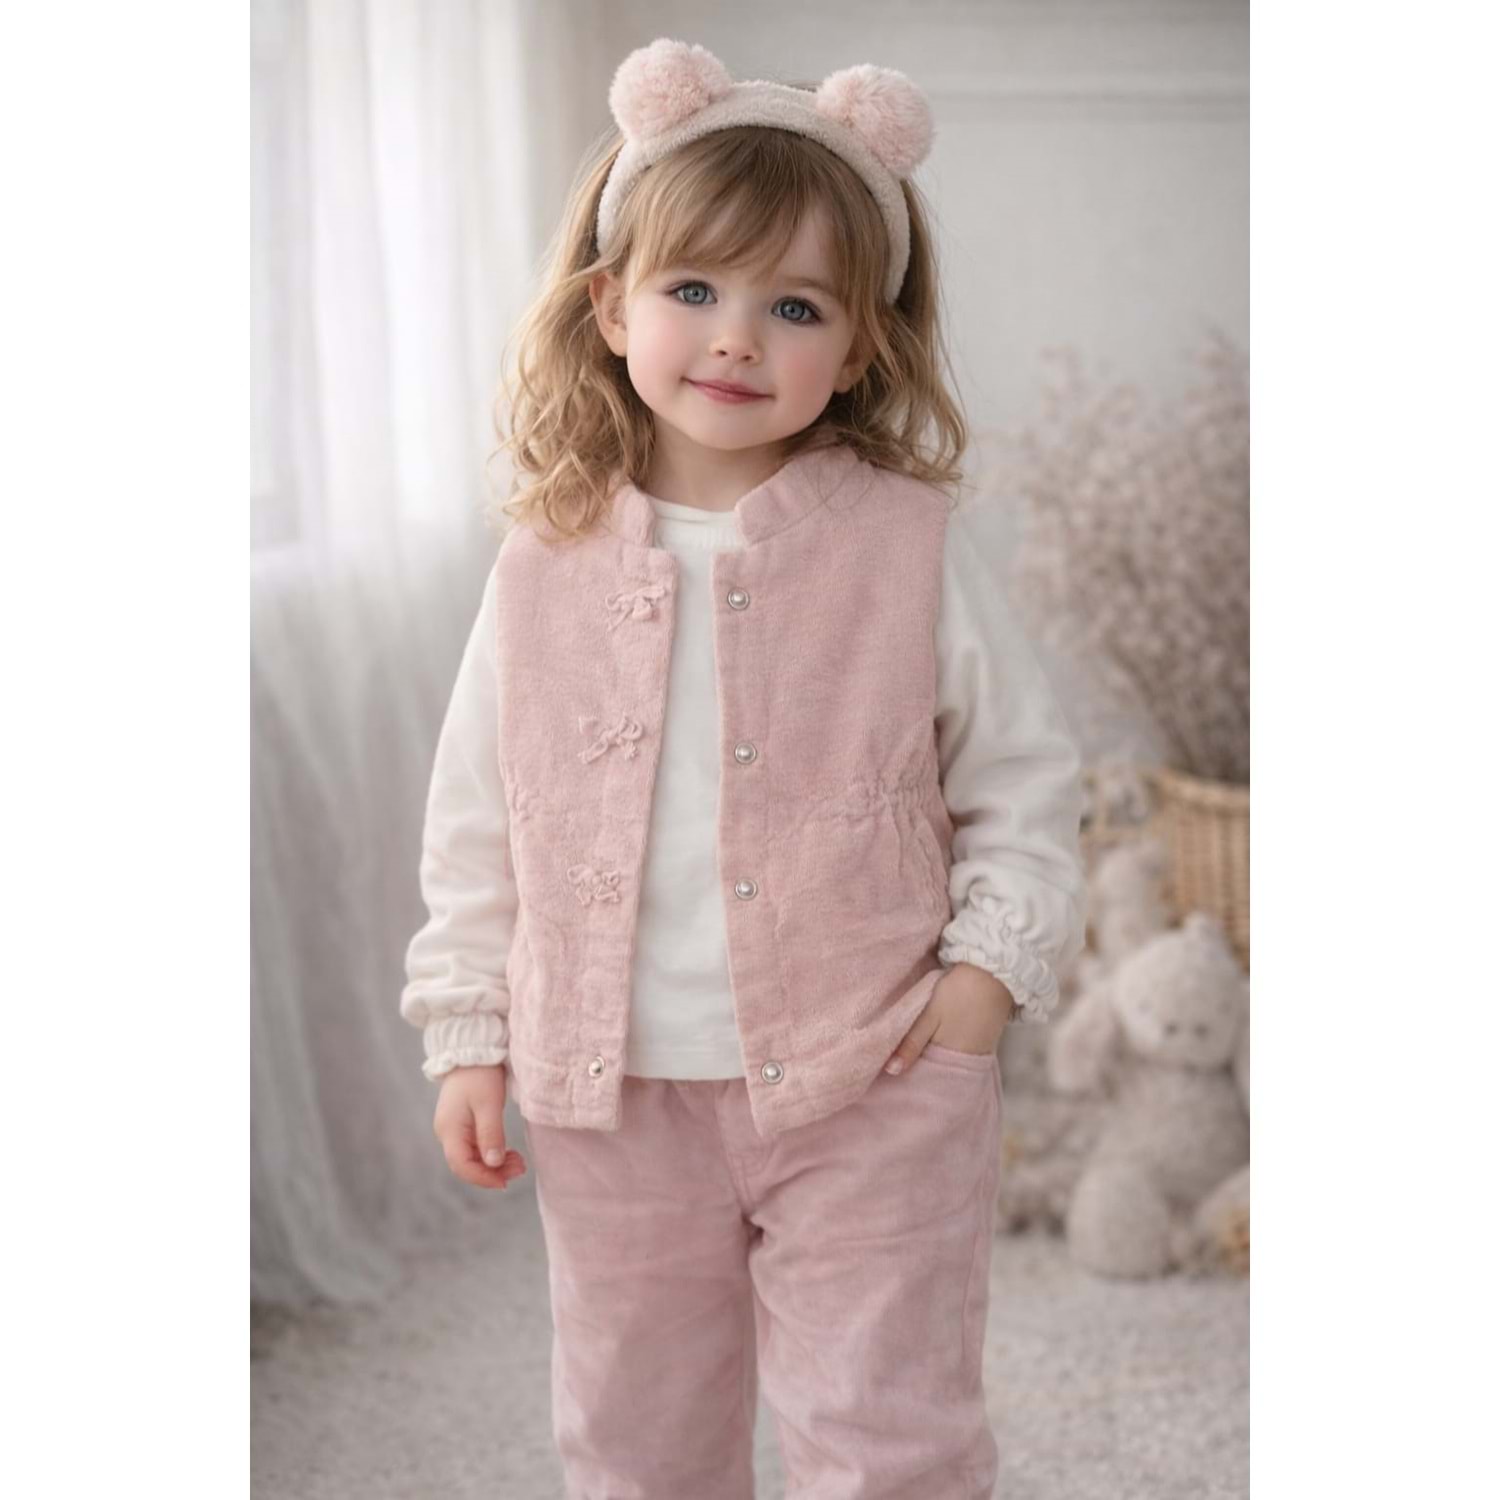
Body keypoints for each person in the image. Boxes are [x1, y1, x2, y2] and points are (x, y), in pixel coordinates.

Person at [400, 37, 1087, 1500]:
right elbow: (478, 820)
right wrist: (468, 1030)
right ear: (611, 307)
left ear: (862, 345)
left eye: (795, 306)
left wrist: (978, 989)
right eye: (695, 291)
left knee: (887, 1431)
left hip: (872, 1078)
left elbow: (1025, 784)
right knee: (635, 1429)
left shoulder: (908, 545)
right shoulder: (544, 562)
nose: (736, 339)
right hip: (613, 1090)